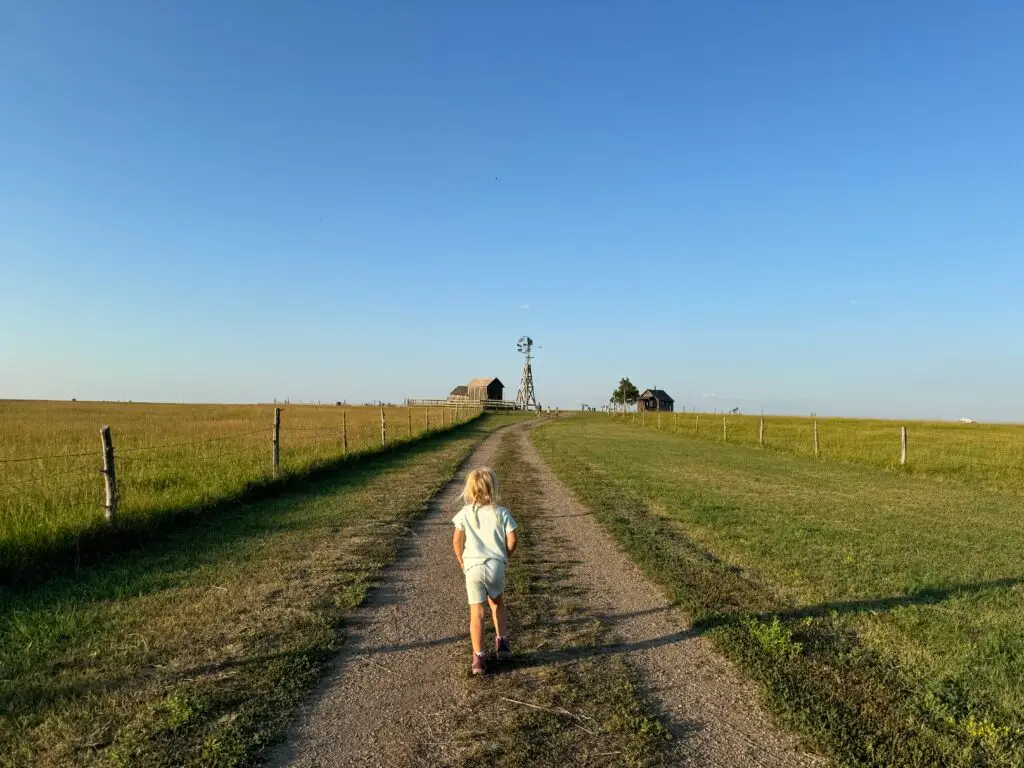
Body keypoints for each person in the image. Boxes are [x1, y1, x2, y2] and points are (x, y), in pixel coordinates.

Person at [451, 467, 518, 675]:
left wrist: (462, 560)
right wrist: (505, 556)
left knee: (477, 613)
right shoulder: (502, 512)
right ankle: (503, 646)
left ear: (469, 490)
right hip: (495, 566)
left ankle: (479, 658)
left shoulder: (465, 513)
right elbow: (513, 539)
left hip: (472, 567)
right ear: (493, 487)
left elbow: (456, 541)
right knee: (497, 603)